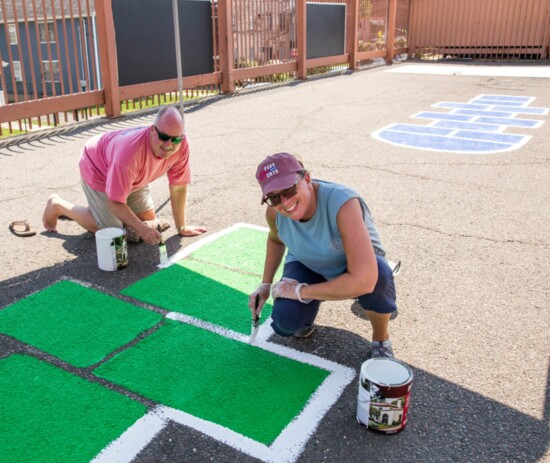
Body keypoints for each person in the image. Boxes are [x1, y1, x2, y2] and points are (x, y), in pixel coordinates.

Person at [248, 152, 397, 359]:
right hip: (307, 261)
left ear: (307, 178)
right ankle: (305, 318)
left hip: (350, 264)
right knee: (286, 323)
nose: (285, 201)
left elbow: (363, 281)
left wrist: (302, 291)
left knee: (377, 278)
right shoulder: (274, 212)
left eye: (290, 190)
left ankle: (381, 338)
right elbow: (275, 239)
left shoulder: (343, 203)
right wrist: (265, 285)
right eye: (273, 197)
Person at [42, 106, 206, 244]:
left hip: (133, 178)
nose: (169, 145)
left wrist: (181, 227)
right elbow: (115, 203)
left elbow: (178, 186)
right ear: (152, 130)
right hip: (98, 166)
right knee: (114, 232)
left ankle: (98, 211)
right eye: (163, 137)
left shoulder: (182, 144)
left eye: (175, 139)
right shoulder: (129, 154)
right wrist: (141, 229)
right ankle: (59, 205)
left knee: (147, 220)